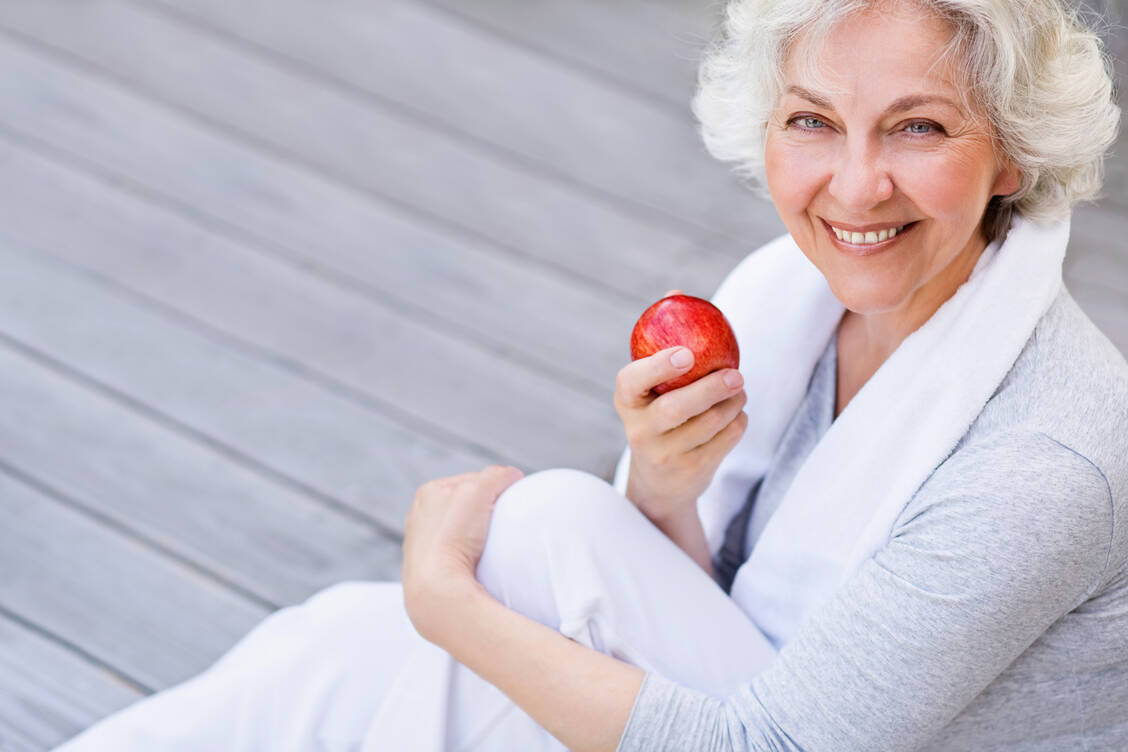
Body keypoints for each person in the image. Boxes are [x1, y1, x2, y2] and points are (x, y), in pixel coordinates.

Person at [55, 0, 1126, 750]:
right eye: (812, 120)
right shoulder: (789, 299)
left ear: (1012, 153)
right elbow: (689, 618)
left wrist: (449, 603)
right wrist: (667, 488)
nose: (854, 185)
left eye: (919, 127)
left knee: (489, 592)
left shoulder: (1046, 456)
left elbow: (773, 741)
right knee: (350, 637)